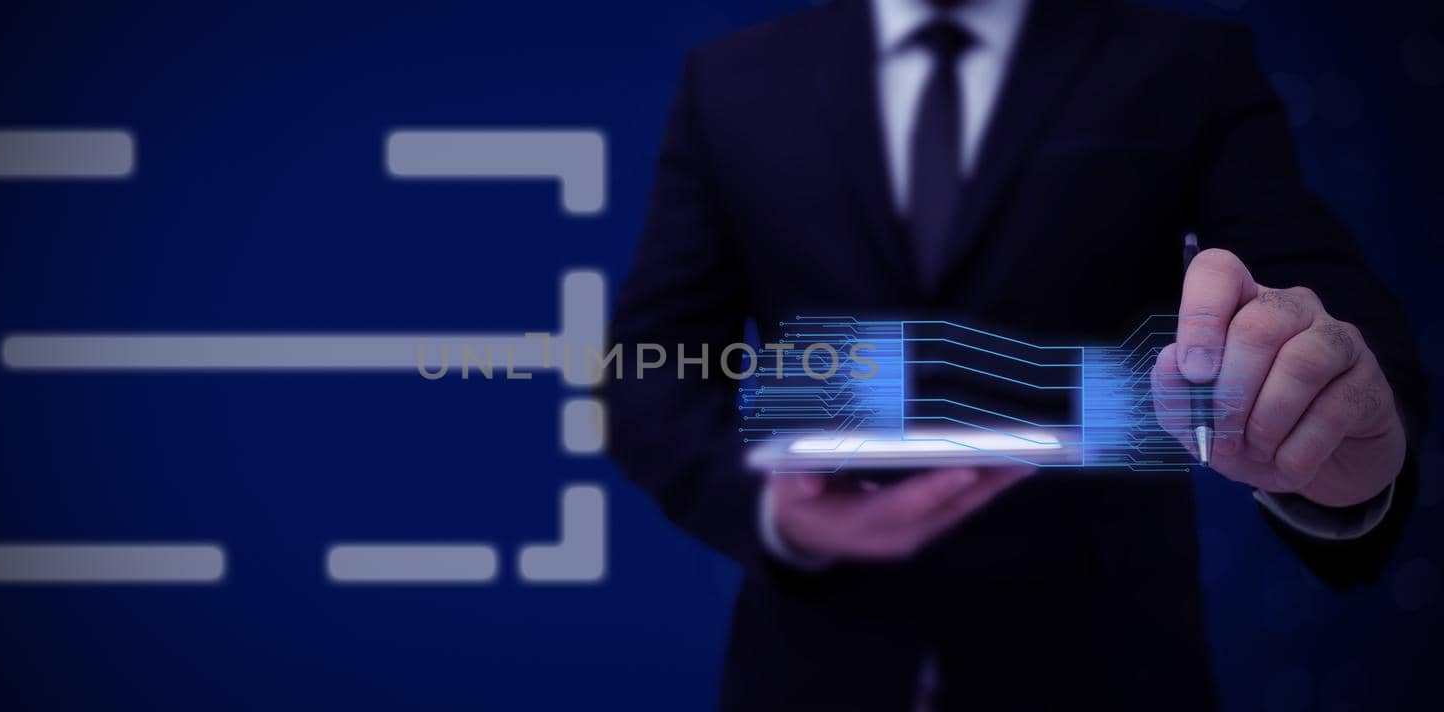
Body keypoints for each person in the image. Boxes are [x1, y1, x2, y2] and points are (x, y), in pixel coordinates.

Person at [603, 0, 1428, 709]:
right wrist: (778, 516)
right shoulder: (732, 81)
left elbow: (1318, 296)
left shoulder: (1187, 65)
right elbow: (650, 365)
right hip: (813, 670)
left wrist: (1342, 423)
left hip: (1109, 670)